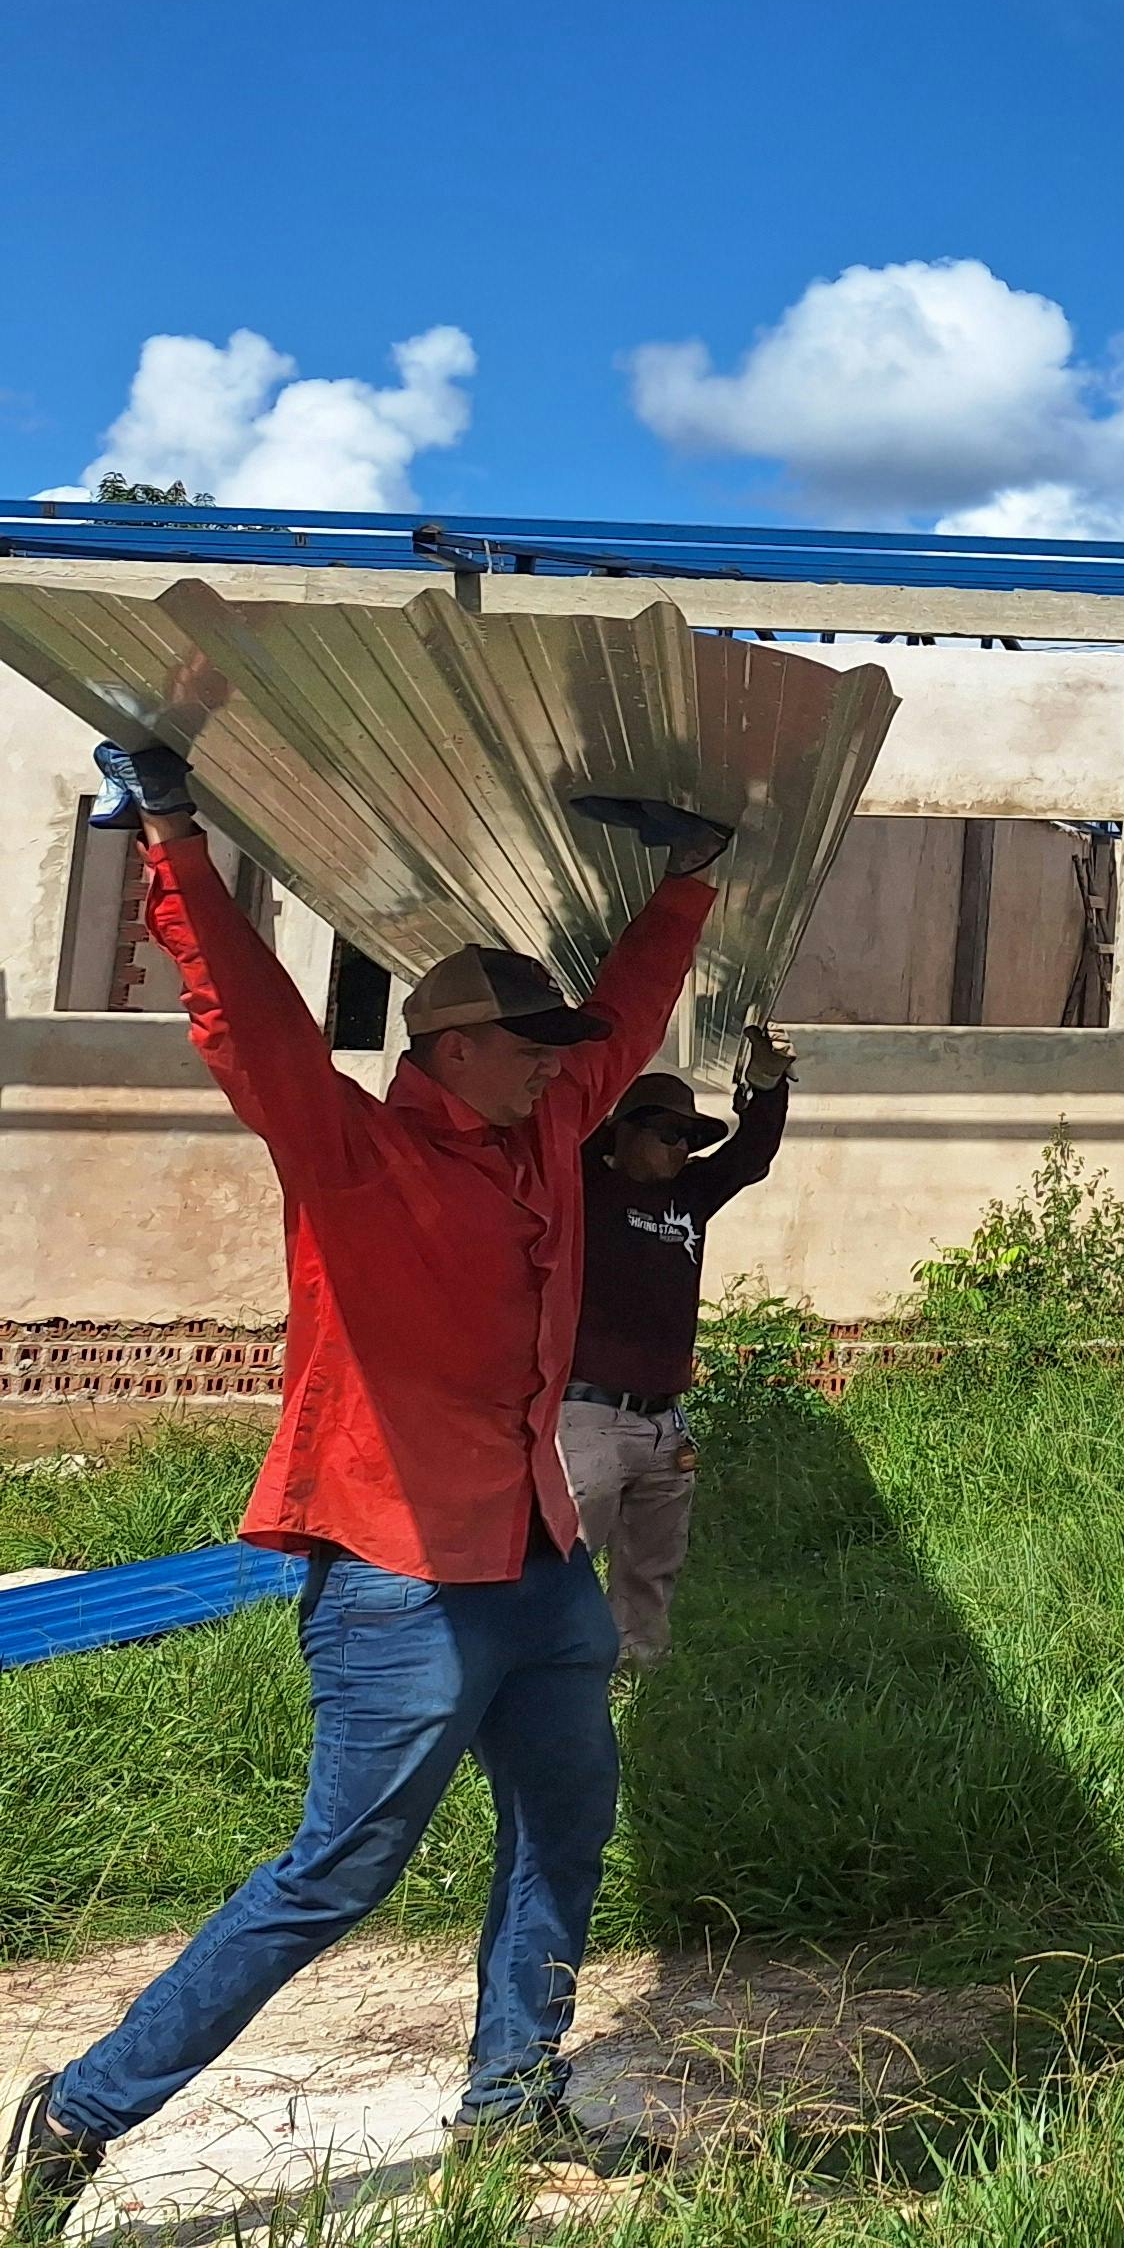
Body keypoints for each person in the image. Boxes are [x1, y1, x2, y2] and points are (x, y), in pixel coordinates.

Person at [8, 745, 733, 2237]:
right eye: (528, 1043)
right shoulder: (349, 1151)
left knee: (566, 1825)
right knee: (338, 1872)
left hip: (537, 1561)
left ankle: (512, 2101)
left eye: (554, 1044)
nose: (556, 1063)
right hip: (399, 1572)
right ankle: (81, 2108)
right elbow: (248, 1017)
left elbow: (628, 1019)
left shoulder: (543, 1130)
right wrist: (175, 837)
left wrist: (692, 881)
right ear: (444, 1048)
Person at [565, 1027, 795, 1673]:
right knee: (565, 1566)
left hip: (666, 1420)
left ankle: (639, 1679)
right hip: (588, 1415)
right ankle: (557, 1684)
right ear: (625, 1133)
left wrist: (768, 1084)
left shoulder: (688, 1199)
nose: (682, 1148)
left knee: (652, 1569)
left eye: (690, 1139)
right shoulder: (585, 1189)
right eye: (669, 1134)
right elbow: (569, 1118)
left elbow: (749, 1157)